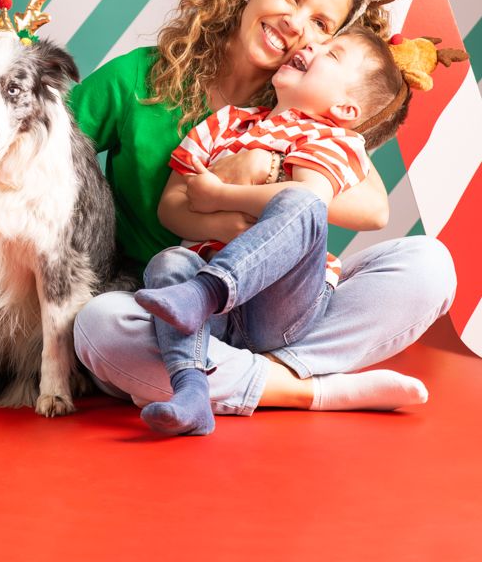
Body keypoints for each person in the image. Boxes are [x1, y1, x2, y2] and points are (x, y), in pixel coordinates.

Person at [70, 0, 457, 425]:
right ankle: (307, 388)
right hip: (170, 298)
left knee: (429, 263)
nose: (296, 25)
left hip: (285, 302)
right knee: (100, 325)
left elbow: (370, 208)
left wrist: (261, 175)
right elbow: (47, 147)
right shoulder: (140, 80)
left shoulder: (307, 110)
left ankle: (231, 378)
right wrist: (234, 208)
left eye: (320, 23)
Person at [138, 27, 421, 436]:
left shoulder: (332, 139)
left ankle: (206, 295)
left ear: (344, 110)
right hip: (213, 307)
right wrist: (222, 212)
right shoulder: (226, 123)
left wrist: (221, 192)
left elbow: (308, 198)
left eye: (332, 52)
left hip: (278, 308)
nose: (310, 44)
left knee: (303, 202)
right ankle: (191, 391)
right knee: (164, 264)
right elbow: (173, 207)